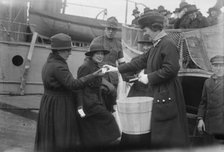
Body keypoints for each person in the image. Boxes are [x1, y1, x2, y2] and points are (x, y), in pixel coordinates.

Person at [103, 11, 189, 148]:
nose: (145, 33)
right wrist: (115, 69)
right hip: (161, 93)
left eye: (146, 30)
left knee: (167, 133)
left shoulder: (168, 44)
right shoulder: (157, 45)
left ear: (154, 28)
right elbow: (139, 62)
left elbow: (172, 69)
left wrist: (149, 77)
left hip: (168, 94)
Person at [34, 33, 103, 152]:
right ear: (60, 51)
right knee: (62, 135)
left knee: (51, 135)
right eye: (68, 50)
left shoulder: (49, 63)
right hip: (59, 105)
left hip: (49, 103)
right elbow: (73, 84)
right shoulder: (58, 66)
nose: (70, 53)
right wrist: (93, 75)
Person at [76, 41, 121, 150]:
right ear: (92, 55)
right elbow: (79, 87)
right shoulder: (85, 67)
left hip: (95, 101)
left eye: (102, 54)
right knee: (109, 120)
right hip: (88, 103)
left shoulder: (96, 66)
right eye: (97, 54)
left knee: (92, 129)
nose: (100, 56)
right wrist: (80, 106)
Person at [90, 16, 125, 89]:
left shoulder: (118, 44)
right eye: (109, 28)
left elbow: (122, 63)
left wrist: (127, 76)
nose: (111, 31)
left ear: (116, 31)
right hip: (99, 77)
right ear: (105, 29)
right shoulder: (96, 41)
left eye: (113, 29)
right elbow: (88, 60)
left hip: (113, 79)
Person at [197, 55, 224, 138]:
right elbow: (203, 102)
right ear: (212, 67)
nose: (219, 68)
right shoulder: (207, 82)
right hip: (209, 125)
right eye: (216, 65)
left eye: (221, 65)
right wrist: (200, 119)